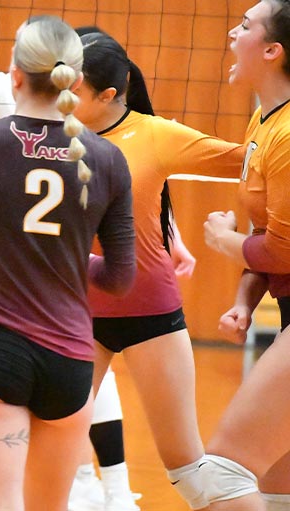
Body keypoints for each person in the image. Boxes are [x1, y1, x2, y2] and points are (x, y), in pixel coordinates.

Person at [0, 15, 137, 511]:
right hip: (70, 361)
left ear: (14, 73)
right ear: (77, 81)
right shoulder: (106, 158)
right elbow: (121, 279)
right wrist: (60, 260)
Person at [71, 31, 245, 511]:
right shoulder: (50, 135)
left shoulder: (155, 134)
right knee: (50, 454)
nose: (60, 95)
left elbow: (246, 161)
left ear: (108, 95)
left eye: (74, 87)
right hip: (76, 316)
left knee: (188, 470)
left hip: (149, 314)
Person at [199, 0, 290, 511]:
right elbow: (271, 232)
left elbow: (278, 248)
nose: (233, 34)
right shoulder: (265, 121)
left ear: (273, 49)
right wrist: (245, 300)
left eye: (245, 25)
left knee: (221, 473)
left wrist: (224, 242)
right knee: (278, 491)